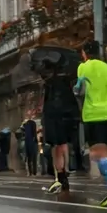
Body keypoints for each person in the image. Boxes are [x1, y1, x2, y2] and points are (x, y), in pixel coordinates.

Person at [74, 40, 107, 207]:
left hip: (92, 115)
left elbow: (78, 88)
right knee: (105, 151)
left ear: (85, 53)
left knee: (96, 153)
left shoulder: (83, 67)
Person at [41, 60, 80, 193]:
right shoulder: (65, 83)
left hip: (54, 118)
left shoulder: (49, 84)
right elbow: (72, 101)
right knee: (63, 145)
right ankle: (64, 174)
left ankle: (61, 175)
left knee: (56, 148)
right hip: (66, 118)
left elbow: (47, 105)